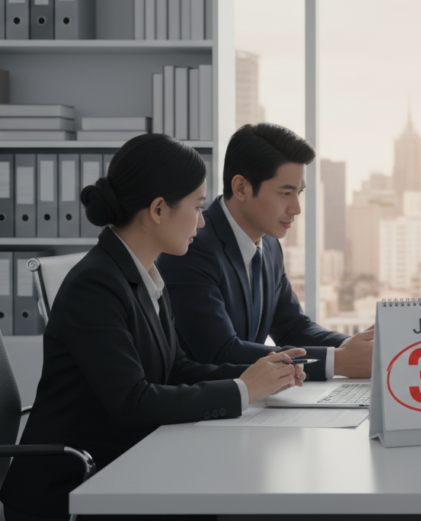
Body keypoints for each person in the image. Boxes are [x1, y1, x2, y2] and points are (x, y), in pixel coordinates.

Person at [0, 134, 305, 521]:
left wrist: (260, 376)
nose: (202, 219)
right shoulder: (96, 285)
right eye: (196, 206)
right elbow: (134, 402)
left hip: (119, 466)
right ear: (159, 209)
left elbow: (175, 367)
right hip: (70, 488)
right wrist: (243, 390)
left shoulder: (143, 274)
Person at [158, 123, 372, 380]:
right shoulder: (192, 248)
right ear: (241, 188)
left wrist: (360, 347)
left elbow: (293, 327)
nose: (296, 208)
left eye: (299, 193)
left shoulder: (269, 245)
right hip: (202, 409)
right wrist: (336, 362)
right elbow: (221, 351)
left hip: (251, 404)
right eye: (285, 193)